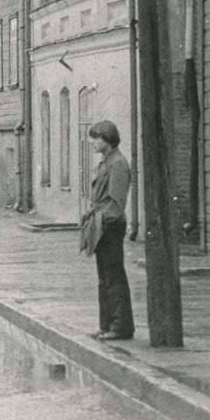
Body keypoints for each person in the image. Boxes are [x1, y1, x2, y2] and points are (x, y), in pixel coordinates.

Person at [87, 120, 133, 341]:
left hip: (110, 227)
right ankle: (107, 325)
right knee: (104, 278)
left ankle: (121, 326)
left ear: (108, 139)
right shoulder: (106, 163)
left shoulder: (118, 164)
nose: (93, 142)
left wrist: (100, 219)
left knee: (114, 277)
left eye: (96, 137)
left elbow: (116, 205)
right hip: (101, 225)